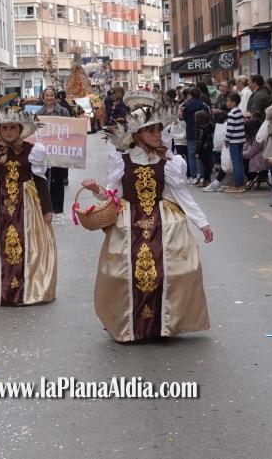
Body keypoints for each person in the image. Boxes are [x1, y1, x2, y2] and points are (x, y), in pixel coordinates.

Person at [82, 102, 212, 342]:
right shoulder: (122, 160)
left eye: (158, 130)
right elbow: (113, 195)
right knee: (125, 274)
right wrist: (95, 190)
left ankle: (161, 325)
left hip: (164, 223)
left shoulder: (170, 162)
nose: (156, 135)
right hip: (129, 223)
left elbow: (182, 194)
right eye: (150, 131)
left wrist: (202, 222)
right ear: (137, 135)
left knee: (171, 272)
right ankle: (131, 325)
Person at [0, 110, 56, 306]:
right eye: (5, 127)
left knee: (29, 244)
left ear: (20, 130)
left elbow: (39, 179)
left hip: (26, 206)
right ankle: (1, 289)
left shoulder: (32, 150)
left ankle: (29, 290)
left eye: (13, 127)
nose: (9, 131)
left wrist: (47, 208)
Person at [36, 88, 72, 214]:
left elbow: (70, 130)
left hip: (59, 152)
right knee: (44, 179)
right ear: (43, 97)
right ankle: (46, 207)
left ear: (55, 97)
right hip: (44, 153)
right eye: (47, 95)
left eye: (52, 95)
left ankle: (58, 208)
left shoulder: (63, 111)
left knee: (58, 180)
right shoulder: (39, 113)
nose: (49, 98)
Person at [223, 92, 247, 193]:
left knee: (236, 162)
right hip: (241, 139)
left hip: (234, 140)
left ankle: (238, 184)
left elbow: (230, 129)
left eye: (228, 101)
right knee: (239, 161)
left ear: (233, 103)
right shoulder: (239, 112)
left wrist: (226, 140)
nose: (227, 103)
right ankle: (241, 182)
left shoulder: (232, 113)